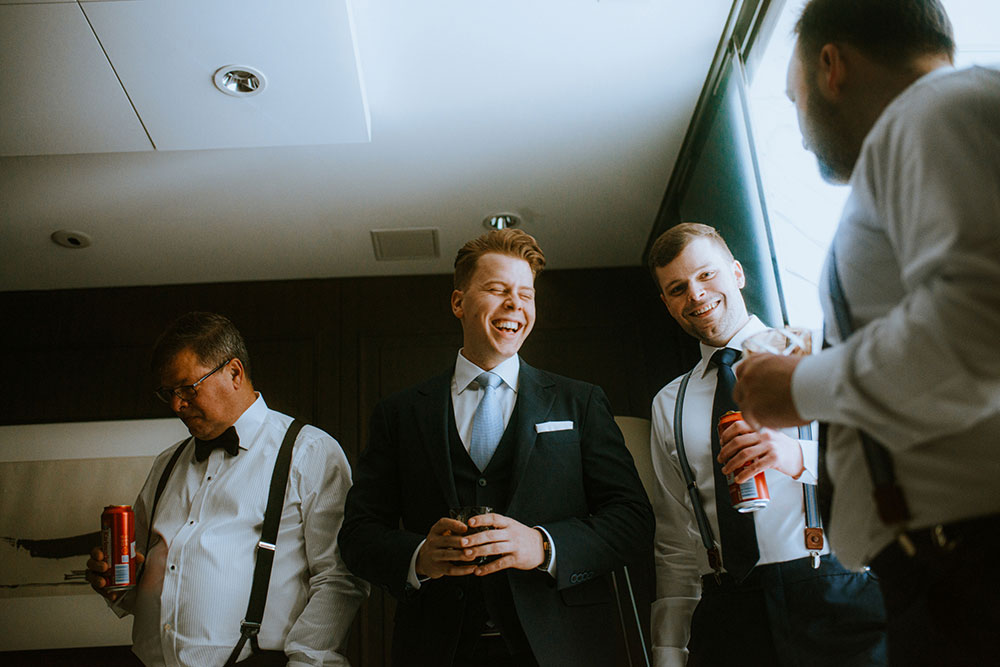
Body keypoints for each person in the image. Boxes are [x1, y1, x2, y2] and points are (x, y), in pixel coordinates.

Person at [733, 1, 1000, 664]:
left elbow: (977, 330)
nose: (798, 134)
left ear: (832, 66)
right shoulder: (939, 120)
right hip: (945, 566)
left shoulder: (934, 110)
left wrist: (801, 383)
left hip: (973, 561)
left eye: (794, 100)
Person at [338, 228, 654, 666]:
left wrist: (543, 547)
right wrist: (419, 557)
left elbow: (633, 520)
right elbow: (357, 534)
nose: (515, 305)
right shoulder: (401, 413)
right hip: (436, 649)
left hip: (563, 648)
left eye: (526, 294)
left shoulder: (579, 401)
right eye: (497, 290)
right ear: (458, 302)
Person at [647, 223, 886, 667]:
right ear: (667, 304)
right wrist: (668, 651)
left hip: (833, 592)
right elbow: (676, 540)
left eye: (706, 275)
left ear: (736, 272)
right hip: (729, 613)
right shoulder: (668, 404)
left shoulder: (810, 355)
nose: (696, 295)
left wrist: (795, 456)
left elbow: (880, 464)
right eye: (678, 288)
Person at [86, 312, 369, 666]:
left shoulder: (309, 451)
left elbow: (340, 577)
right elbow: (141, 574)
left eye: (188, 388)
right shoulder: (166, 464)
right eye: (168, 393)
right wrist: (116, 585)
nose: (176, 405)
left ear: (234, 373)